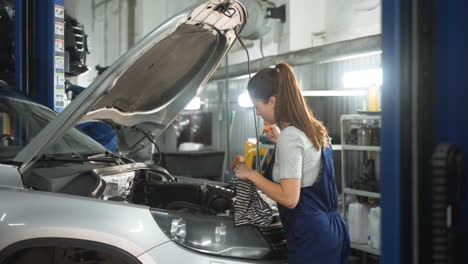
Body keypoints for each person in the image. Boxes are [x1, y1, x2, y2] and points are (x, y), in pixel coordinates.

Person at [234, 62, 350, 264]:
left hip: (311, 236)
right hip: (333, 230)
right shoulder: (313, 129)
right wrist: (280, 140)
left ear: (272, 101)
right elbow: (309, 164)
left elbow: (289, 198)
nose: (258, 113)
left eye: (257, 107)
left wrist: (251, 175)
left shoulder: (291, 137)